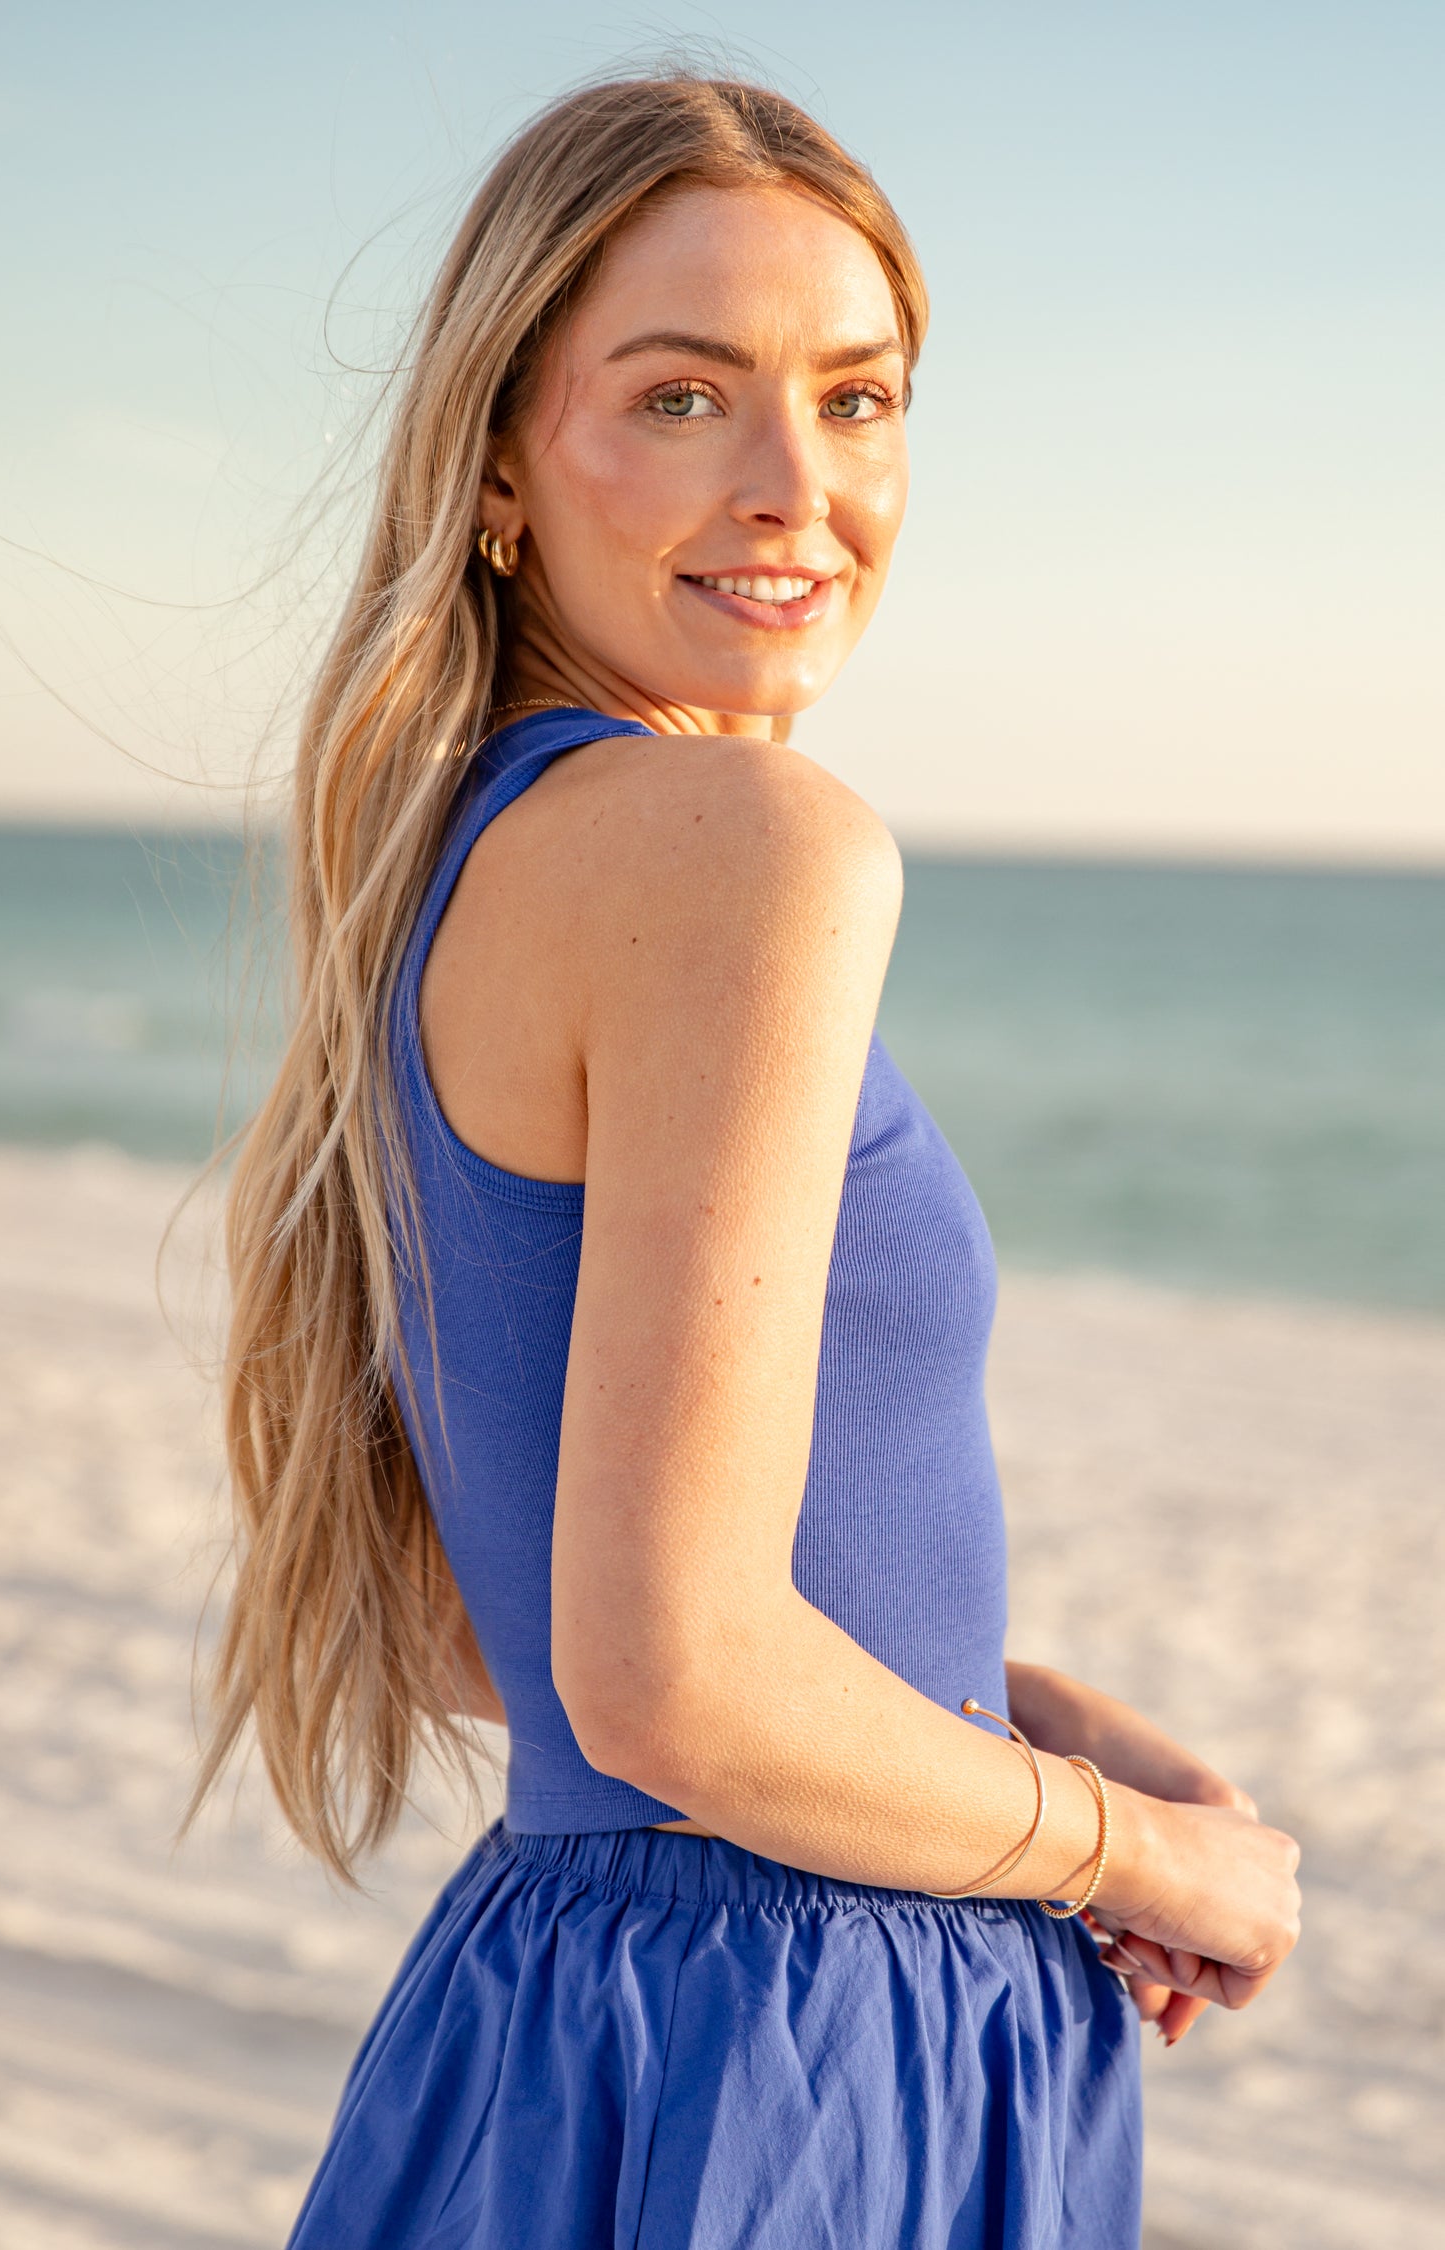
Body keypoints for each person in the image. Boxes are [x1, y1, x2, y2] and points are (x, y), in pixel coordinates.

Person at [191, 73, 1301, 2249]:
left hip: (561, 2030)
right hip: (795, 2041)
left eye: (860, 400)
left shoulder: (456, 857)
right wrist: (1127, 1850)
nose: (801, 490)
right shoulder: (743, 843)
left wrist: (1012, 1710)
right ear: (501, 456)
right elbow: (670, 1681)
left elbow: (469, 1614)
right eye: (688, 396)